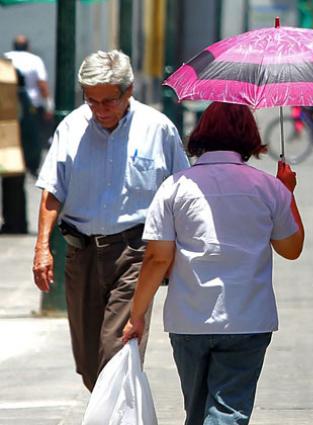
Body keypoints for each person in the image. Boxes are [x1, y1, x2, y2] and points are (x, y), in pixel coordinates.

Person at [122, 102, 304, 425]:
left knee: (196, 410)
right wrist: (288, 194)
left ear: (201, 134)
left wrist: (137, 314)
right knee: (227, 411)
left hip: (188, 318)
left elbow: (157, 257)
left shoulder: (175, 187)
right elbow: (291, 248)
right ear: (249, 136)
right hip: (248, 318)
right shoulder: (267, 188)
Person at [32, 50, 189, 391]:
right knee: (90, 364)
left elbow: (182, 191)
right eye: (92, 101)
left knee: (117, 352)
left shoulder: (157, 129)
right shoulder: (72, 127)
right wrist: (42, 246)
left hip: (135, 253)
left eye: (109, 101)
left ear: (128, 90)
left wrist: (179, 254)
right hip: (82, 253)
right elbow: (52, 192)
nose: (101, 110)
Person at [4, 34, 52, 175]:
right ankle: (31, 165)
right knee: (32, 137)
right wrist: (48, 104)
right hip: (32, 106)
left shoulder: (6, 58)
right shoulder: (34, 60)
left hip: (9, 106)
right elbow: (42, 84)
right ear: (28, 46)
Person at [0, 65, 32, 235]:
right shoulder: (20, 97)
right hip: (14, 152)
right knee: (13, 188)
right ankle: (15, 223)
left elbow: (27, 129)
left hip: (15, 152)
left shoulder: (16, 99)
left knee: (13, 188)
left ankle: (16, 223)